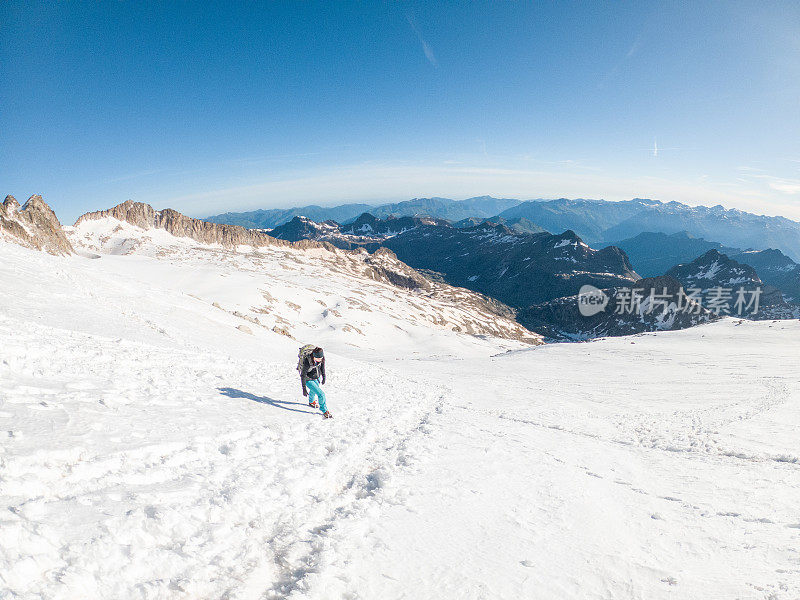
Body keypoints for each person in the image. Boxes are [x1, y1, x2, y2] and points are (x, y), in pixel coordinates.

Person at [300, 347, 332, 418]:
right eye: (318, 358)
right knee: (321, 394)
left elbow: (322, 368)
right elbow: (303, 375)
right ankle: (324, 410)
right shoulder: (307, 361)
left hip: (317, 377)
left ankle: (311, 402)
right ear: (314, 356)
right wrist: (304, 388)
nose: (320, 360)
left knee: (313, 390)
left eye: (321, 358)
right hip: (308, 379)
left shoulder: (321, 358)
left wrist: (324, 376)